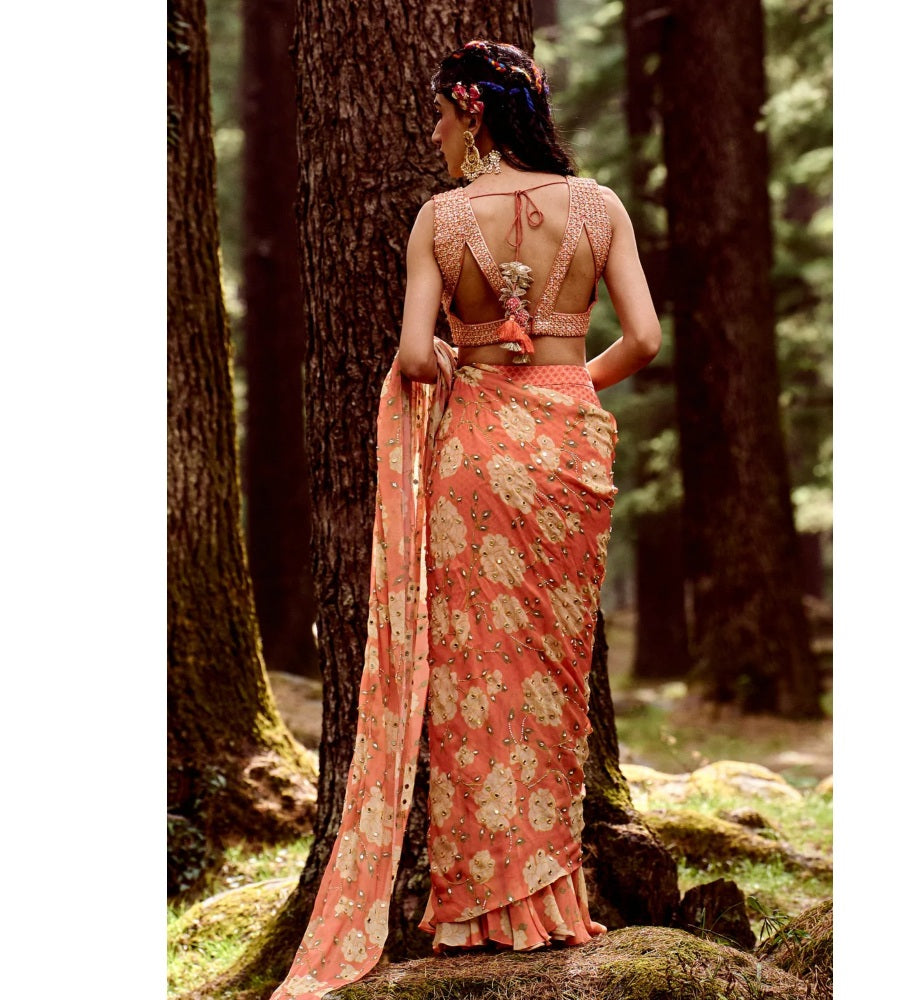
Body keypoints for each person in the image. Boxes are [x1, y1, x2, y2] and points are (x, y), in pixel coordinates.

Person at [270, 40, 660, 1000]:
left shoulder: (442, 219)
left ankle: (481, 910)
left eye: (440, 118)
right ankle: (551, 901)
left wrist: (467, 368)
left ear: (473, 112)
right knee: (552, 680)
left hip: (475, 456)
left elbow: (414, 355)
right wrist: (566, 384)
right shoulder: (600, 207)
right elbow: (645, 338)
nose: (435, 136)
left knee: (475, 675)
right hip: (568, 449)